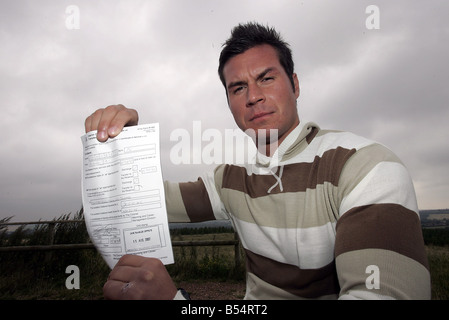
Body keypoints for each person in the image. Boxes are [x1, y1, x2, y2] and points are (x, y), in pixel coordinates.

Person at [85, 22, 431, 300]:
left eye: (266, 78)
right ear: (230, 103)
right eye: (237, 88)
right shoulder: (230, 181)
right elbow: (133, 202)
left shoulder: (366, 166)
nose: (253, 96)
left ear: (294, 85)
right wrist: (121, 144)